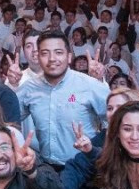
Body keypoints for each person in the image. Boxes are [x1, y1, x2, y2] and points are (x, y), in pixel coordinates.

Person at [16, 31, 109, 168]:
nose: (52, 58)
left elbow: (116, 120)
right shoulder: (29, 88)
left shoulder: (90, 85)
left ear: (69, 57)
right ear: (39, 57)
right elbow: (8, 119)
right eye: (45, 53)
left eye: (58, 52)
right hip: (46, 166)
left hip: (85, 166)